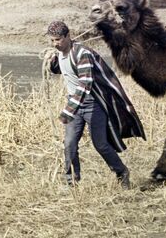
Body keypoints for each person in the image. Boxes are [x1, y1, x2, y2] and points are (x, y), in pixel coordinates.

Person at [45, 21, 145, 189]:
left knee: (100, 144)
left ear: (68, 36)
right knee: (69, 144)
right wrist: (50, 63)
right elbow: (62, 69)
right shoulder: (60, 54)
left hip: (93, 104)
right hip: (75, 103)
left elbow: (85, 84)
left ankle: (122, 172)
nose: (55, 44)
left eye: (58, 40)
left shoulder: (83, 54)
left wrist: (68, 111)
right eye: (52, 41)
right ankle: (71, 182)